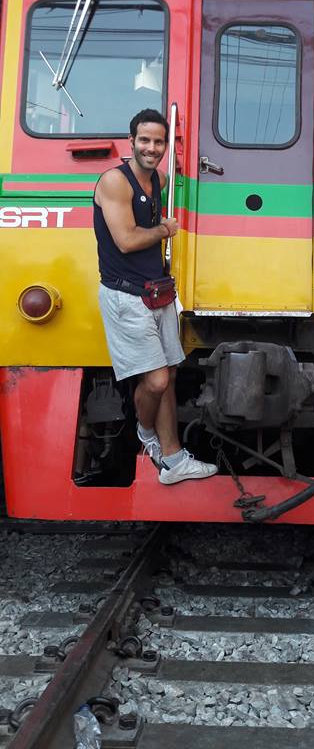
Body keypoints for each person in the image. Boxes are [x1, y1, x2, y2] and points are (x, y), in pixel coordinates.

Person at [93, 108, 217, 486]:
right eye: (144, 140)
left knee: (171, 373)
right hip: (126, 296)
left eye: (159, 141)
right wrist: (165, 229)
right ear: (130, 141)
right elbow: (127, 240)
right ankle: (146, 435)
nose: (151, 147)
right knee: (157, 382)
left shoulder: (159, 179)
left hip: (156, 293)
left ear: (166, 146)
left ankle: (175, 459)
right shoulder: (116, 182)